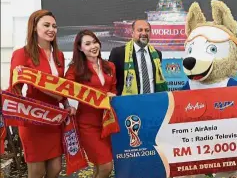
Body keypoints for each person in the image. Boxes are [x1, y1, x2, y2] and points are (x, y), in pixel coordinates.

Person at [8, 9, 74, 178]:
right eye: (46, 25)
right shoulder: (21, 54)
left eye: (54, 26)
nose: (51, 29)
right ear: (34, 28)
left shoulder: (58, 55)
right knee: (36, 172)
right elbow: (14, 90)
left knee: (56, 168)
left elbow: (62, 88)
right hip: (33, 119)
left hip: (54, 118)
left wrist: (66, 105)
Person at [65, 30, 117, 178]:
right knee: (106, 166)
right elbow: (64, 88)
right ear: (80, 48)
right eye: (87, 44)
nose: (93, 46)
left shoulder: (110, 66)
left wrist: (112, 95)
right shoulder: (76, 68)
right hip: (87, 124)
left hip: (108, 122)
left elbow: (113, 88)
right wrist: (69, 105)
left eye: (95, 42)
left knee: (99, 167)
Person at [109, 19, 167, 95]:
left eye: (147, 30)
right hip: (128, 103)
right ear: (132, 33)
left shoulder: (157, 54)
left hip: (152, 101)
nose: (144, 33)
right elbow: (110, 81)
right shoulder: (118, 53)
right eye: (140, 30)